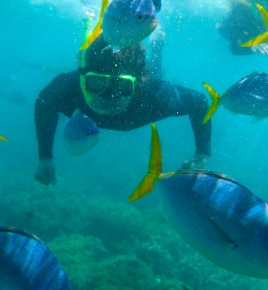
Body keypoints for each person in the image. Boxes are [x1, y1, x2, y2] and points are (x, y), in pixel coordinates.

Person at [33, 36, 211, 186]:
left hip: (148, 84)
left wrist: (201, 154)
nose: (107, 96)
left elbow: (200, 103)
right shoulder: (71, 87)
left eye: (121, 86)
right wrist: (45, 158)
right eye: (96, 83)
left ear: (138, 83)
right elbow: (43, 103)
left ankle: (157, 46)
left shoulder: (152, 95)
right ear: (83, 79)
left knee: (156, 74)